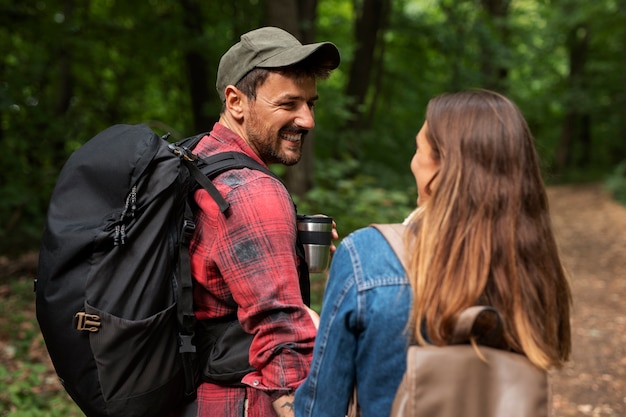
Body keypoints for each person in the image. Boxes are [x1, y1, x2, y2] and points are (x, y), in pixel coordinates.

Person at [294, 89, 572, 417]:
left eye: (418, 148)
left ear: (442, 169)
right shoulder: (533, 269)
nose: (413, 161)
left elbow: (320, 409)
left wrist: (319, 336)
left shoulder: (367, 257)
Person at [184, 27, 340, 417]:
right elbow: (282, 336)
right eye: (289, 104)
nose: (307, 121)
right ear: (236, 101)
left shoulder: (198, 158)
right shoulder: (252, 191)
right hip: (238, 402)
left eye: (311, 104)